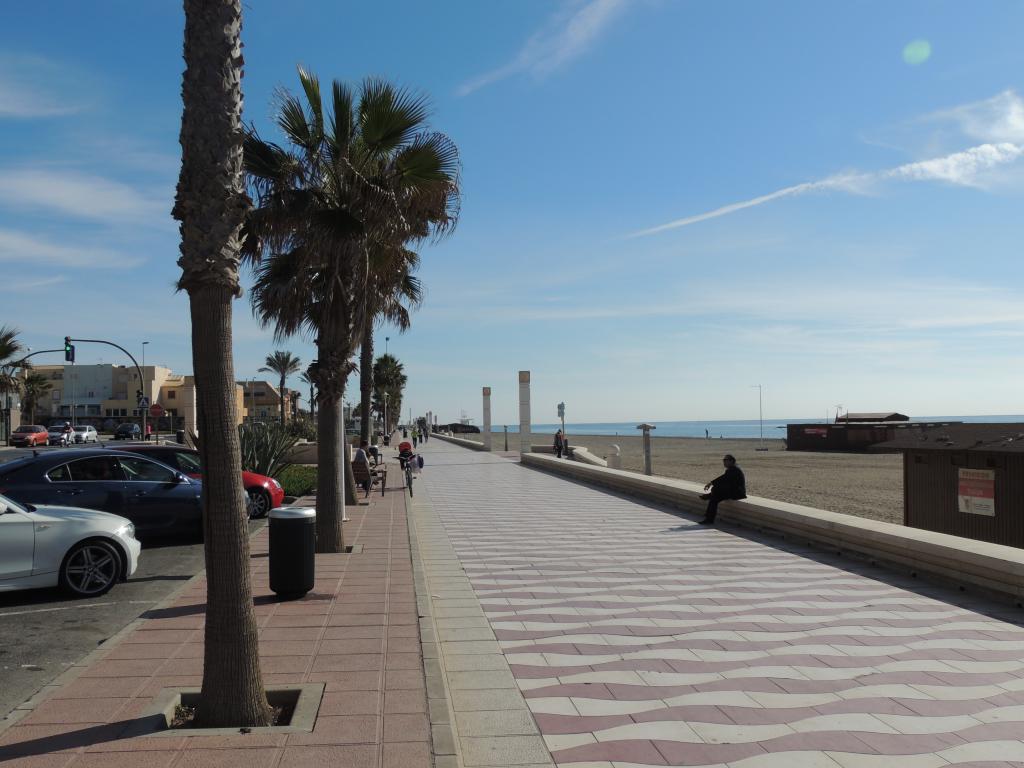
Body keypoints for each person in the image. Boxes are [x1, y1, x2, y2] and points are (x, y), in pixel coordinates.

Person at [698, 454, 746, 525]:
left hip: (737, 493)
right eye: (723, 460)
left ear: (731, 461)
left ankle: (709, 518)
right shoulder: (732, 468)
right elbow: (724, 480)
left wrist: (711, 484)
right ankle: (709, 517)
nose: (724, 462)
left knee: (714, 497)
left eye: (725, 460)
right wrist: (712, 485)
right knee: (714, 498)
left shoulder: (734, 469)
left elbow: (723, 479)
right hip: (732, 490)